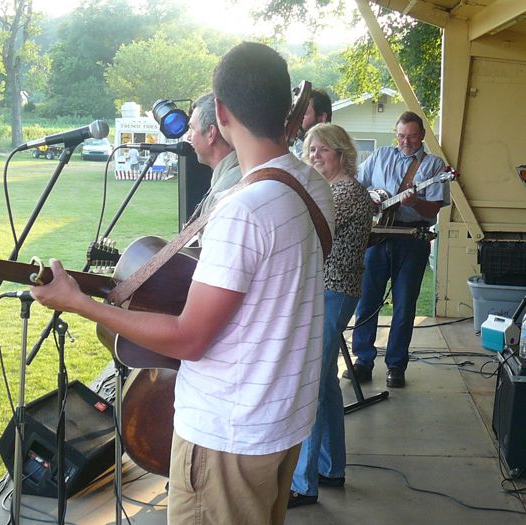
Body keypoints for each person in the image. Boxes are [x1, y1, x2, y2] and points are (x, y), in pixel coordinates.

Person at [30, 41, 334, 525]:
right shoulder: (312, 186)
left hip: (228, 436)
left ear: (221, 111)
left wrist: (78, 303)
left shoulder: (244, 209)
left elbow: (190, 338)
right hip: (281, 422)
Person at [288, 123, 375, 508]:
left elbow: (306, 232)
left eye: (323, 149)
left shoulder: (344, 192)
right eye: (310, 150)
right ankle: (331, 468)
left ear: (342, 153)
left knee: (309, 383)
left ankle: (303, 484)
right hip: (329, 291)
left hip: (333, 292)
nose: (315, 156)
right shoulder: (329, 190)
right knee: (323, 385)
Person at [347, 111, 447, 388]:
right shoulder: (379, 157)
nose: (406, 141)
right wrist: (373, 201)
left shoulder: (435, 166)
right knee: (367, 300)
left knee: (404, 305)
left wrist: (415, 203)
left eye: (412, 136)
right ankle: (363, 361)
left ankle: (396, 365)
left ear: (422, 135)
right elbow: (358, 187)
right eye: (401, 135)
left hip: (411, 239)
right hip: (377, 237)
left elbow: (434, 210)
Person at [185, 92, 241, 220]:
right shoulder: (235, 174)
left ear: (211, 133)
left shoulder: (223, 192)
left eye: (192, 129)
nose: (189, 136)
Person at [291, 88, 332, 158]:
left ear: (322, 118)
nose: (296, 118)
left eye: (303, 113)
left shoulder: (331, 156)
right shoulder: (298, 149)